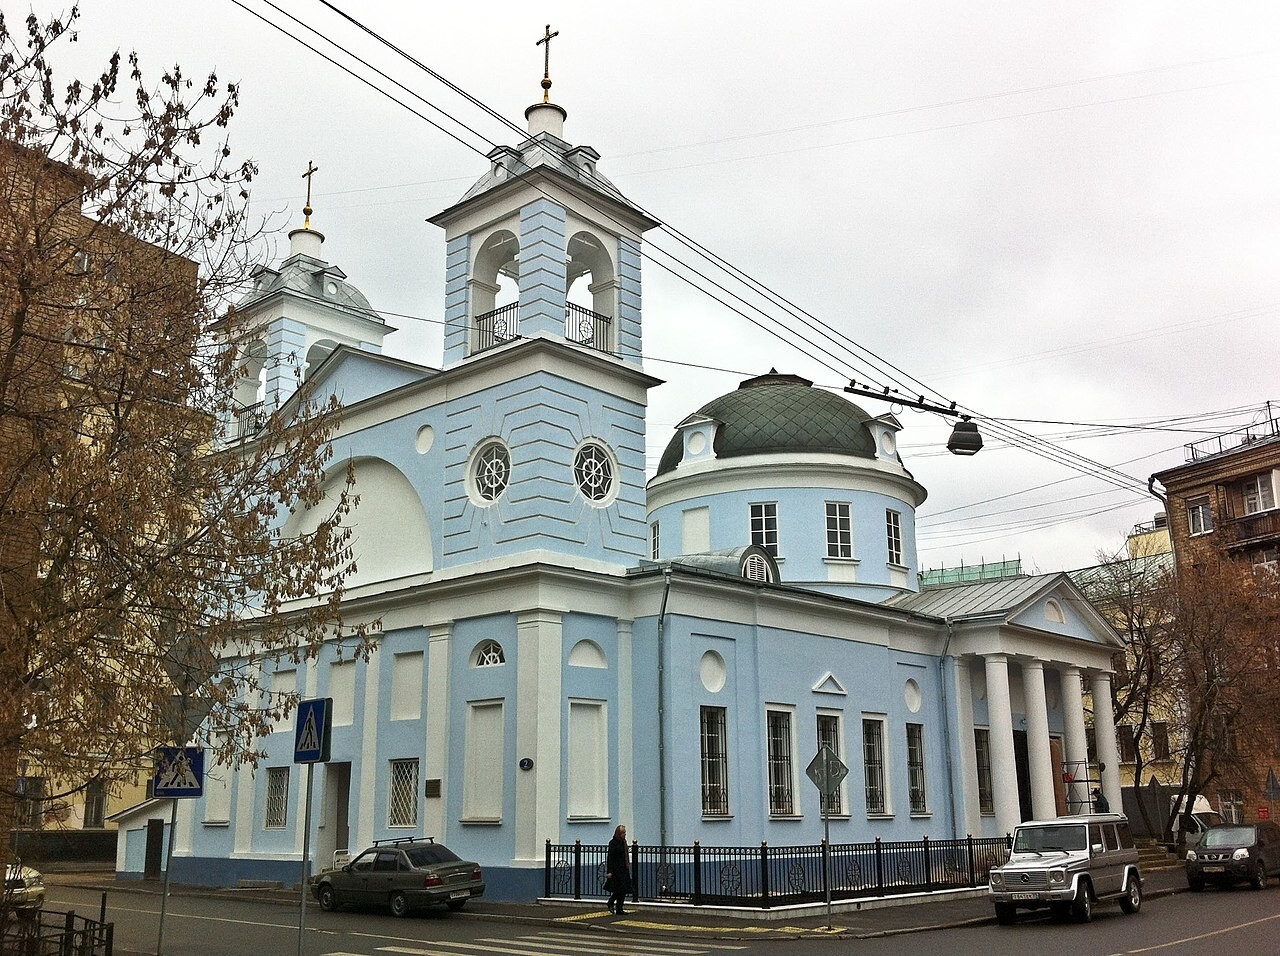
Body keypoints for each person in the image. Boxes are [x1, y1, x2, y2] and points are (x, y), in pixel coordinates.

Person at [605, 824, 632, 915]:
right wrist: (609, 871)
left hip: (624, 868)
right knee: (619, 889)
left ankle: (619, 908)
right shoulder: (613, 843)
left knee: (624, 889)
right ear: (618, 833)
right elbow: (610, 858)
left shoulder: (623, 842)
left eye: (625, 832)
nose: (624, 834)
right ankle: (611, 902)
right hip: (616, 870)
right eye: (623, 833)